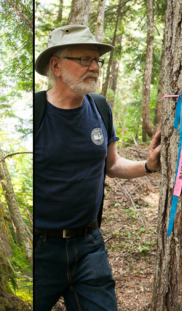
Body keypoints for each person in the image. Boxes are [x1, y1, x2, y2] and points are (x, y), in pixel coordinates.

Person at [34, 25, 162, 311]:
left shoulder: (100, 108)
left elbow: (113, 164)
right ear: (56, 65)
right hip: (40, 248)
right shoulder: (36, 111)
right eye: (84, 59)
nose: (94, 67)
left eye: (96, 60)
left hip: (89, 246)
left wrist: (148, 166)